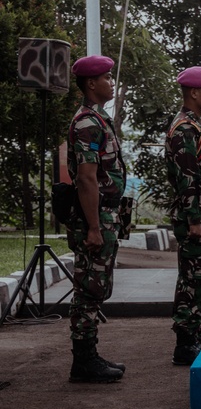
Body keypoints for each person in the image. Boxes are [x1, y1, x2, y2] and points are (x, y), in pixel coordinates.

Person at [65, 55, 127, 383]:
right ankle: (84, 361)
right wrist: (93, 226)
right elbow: (87, 178)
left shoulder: (98, 118)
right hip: (94, 216)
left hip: (104, 214)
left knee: (96, 286)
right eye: (106, 77)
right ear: (91, 84)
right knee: (89, 288)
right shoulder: (87, 122)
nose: (111, 81)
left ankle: (89, 356)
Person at [165, 66, 201, 365]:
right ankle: (185, 341)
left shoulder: (197, 126)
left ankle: (197, 331)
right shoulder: (184, 129)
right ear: (193, 93)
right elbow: (188, 179)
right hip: (198, 218)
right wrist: (194, 220)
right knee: (192, 279)